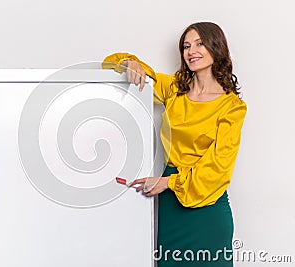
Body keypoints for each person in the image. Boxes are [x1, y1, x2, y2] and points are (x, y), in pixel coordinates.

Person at [102, 22, 247, 266]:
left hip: (206, 206)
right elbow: (111, 63)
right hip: (171, 206)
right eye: (186, 46)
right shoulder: (174, 89)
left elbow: (219, 167)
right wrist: (130, 63)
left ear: (216, 47)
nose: (191, 51)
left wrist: (168, 182)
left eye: (199, 43)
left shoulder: (231, 107)